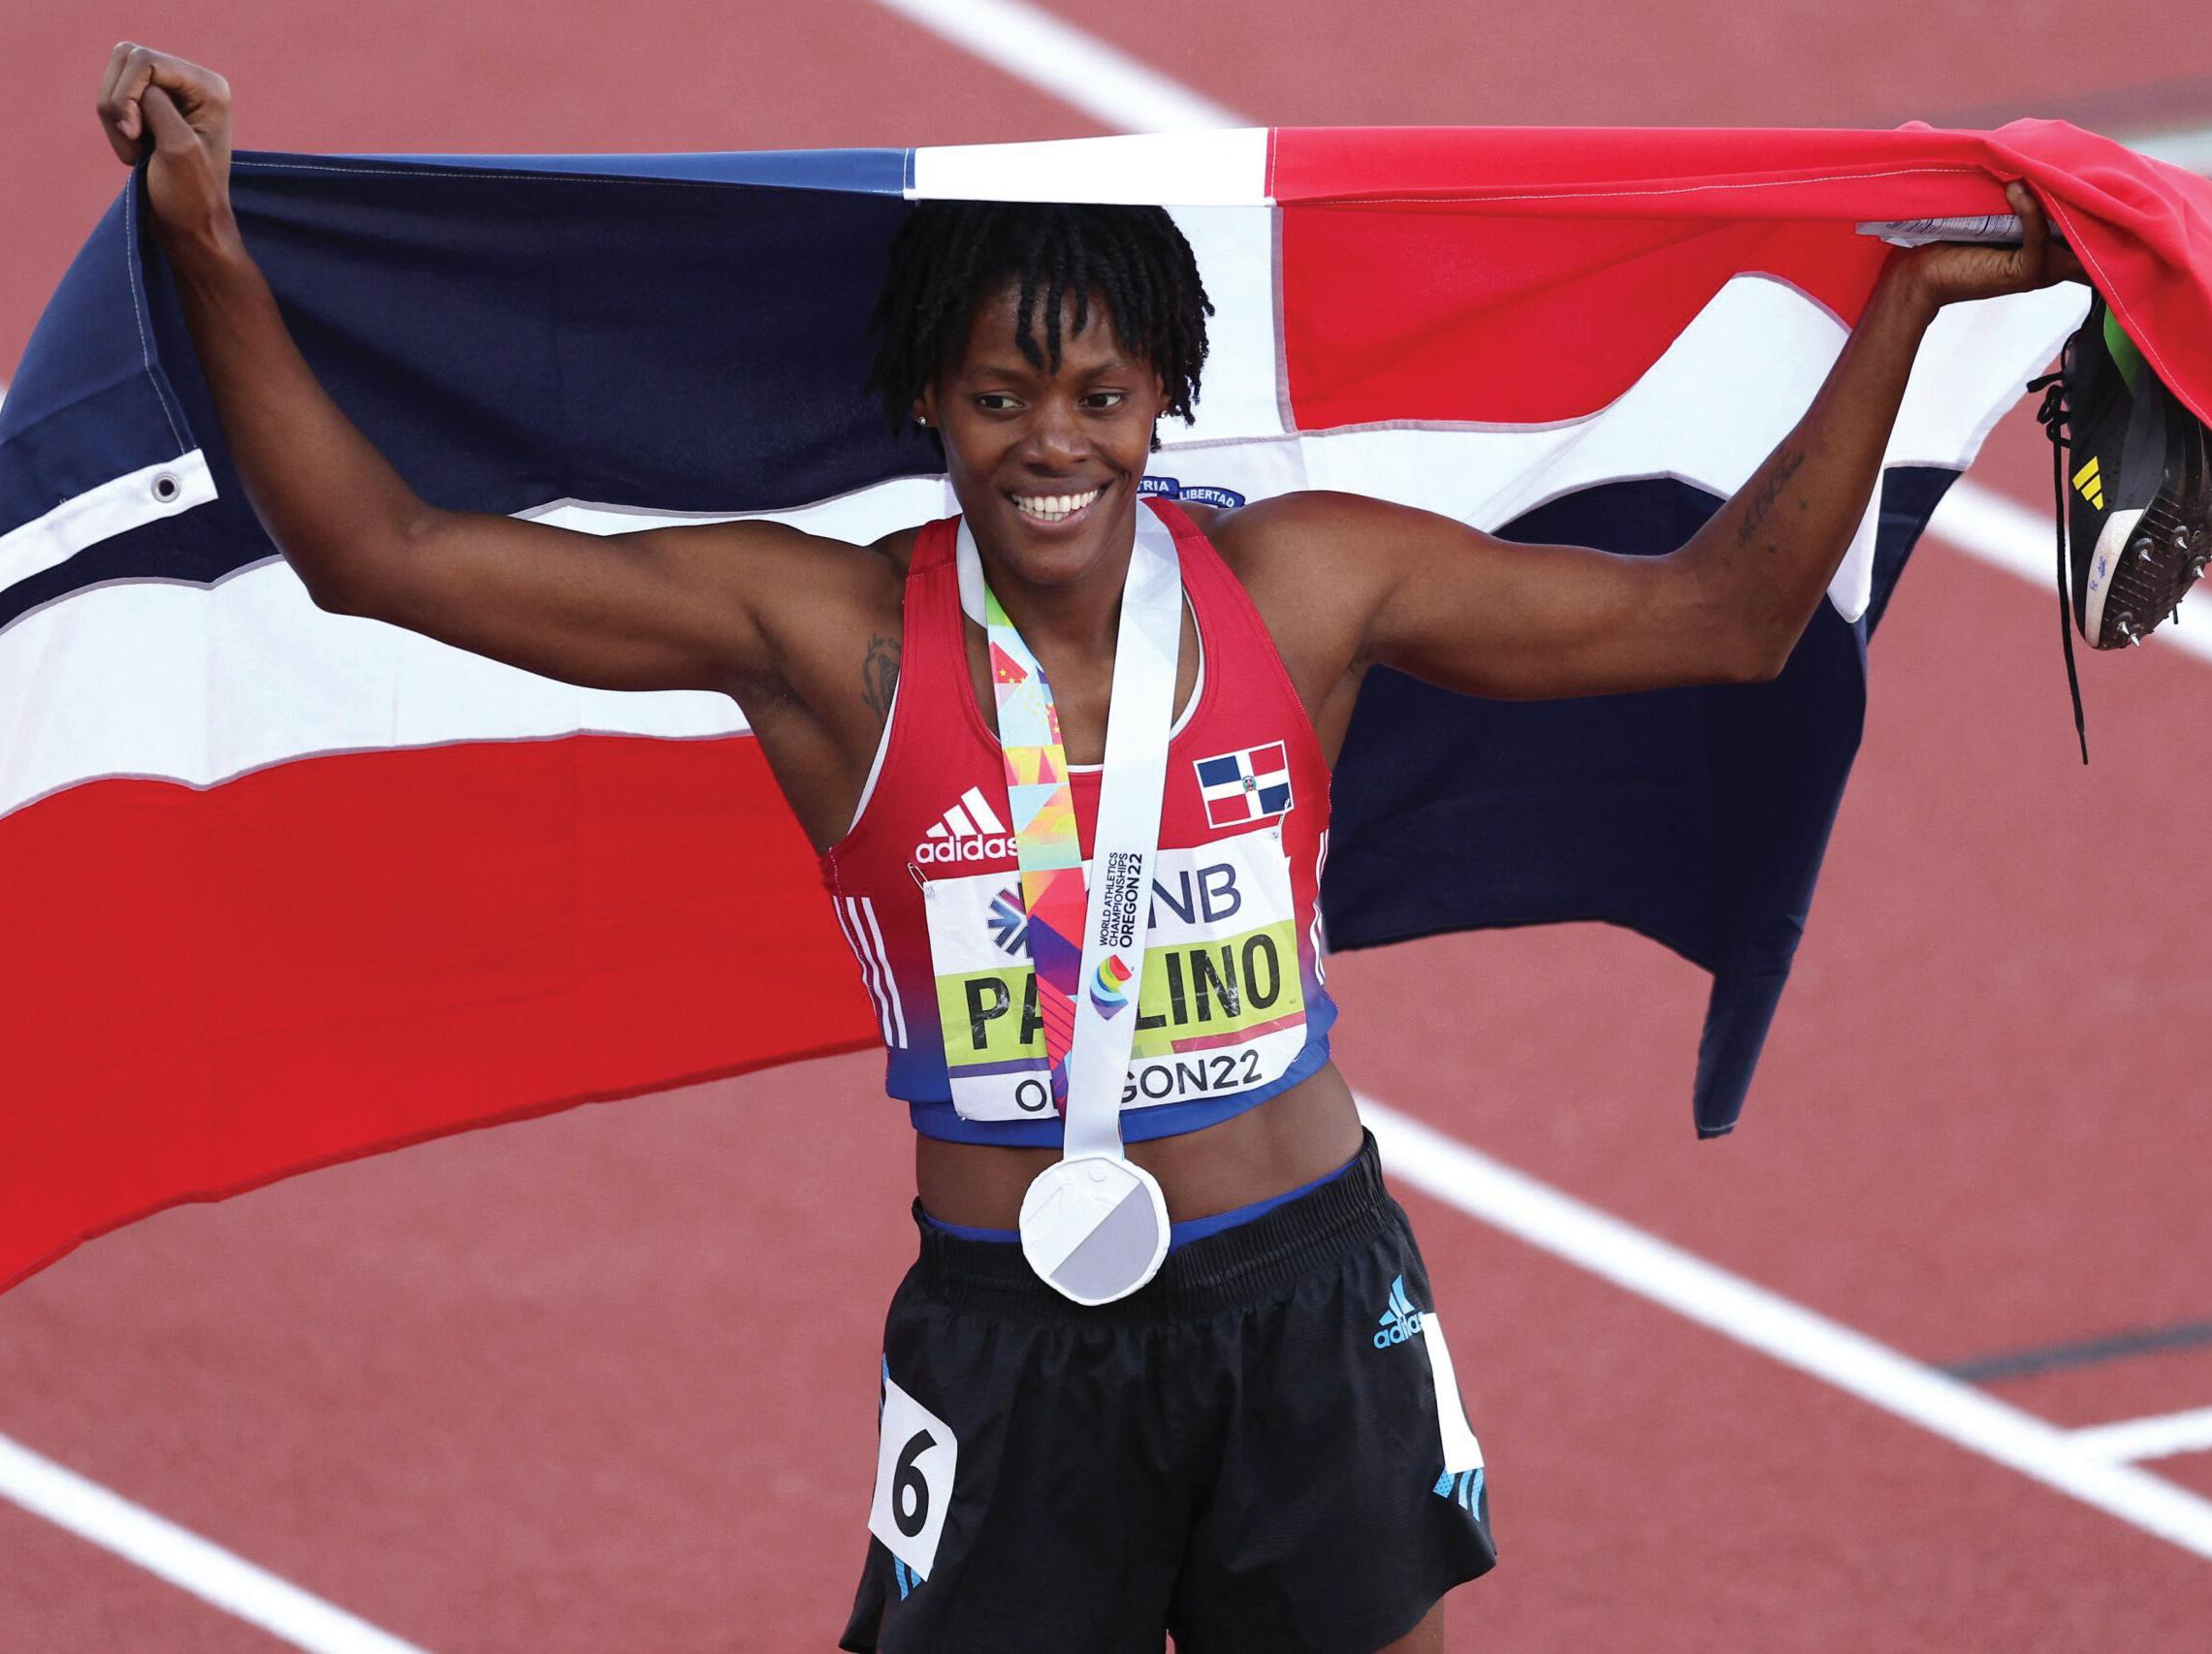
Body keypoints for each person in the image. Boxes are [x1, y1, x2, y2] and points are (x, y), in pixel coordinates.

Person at [95, 42, 2085, 1654]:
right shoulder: (828, 638)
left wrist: (1904, 314)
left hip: (1306, 1298)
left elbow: (1718, 618)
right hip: (1014, 1336)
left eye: (1099, 393)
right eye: (1000, 395)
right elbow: (381, 554)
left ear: (1161, 399)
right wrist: (215, 249)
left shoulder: (1305, 587)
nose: (1053, 442)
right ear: (930, 402)